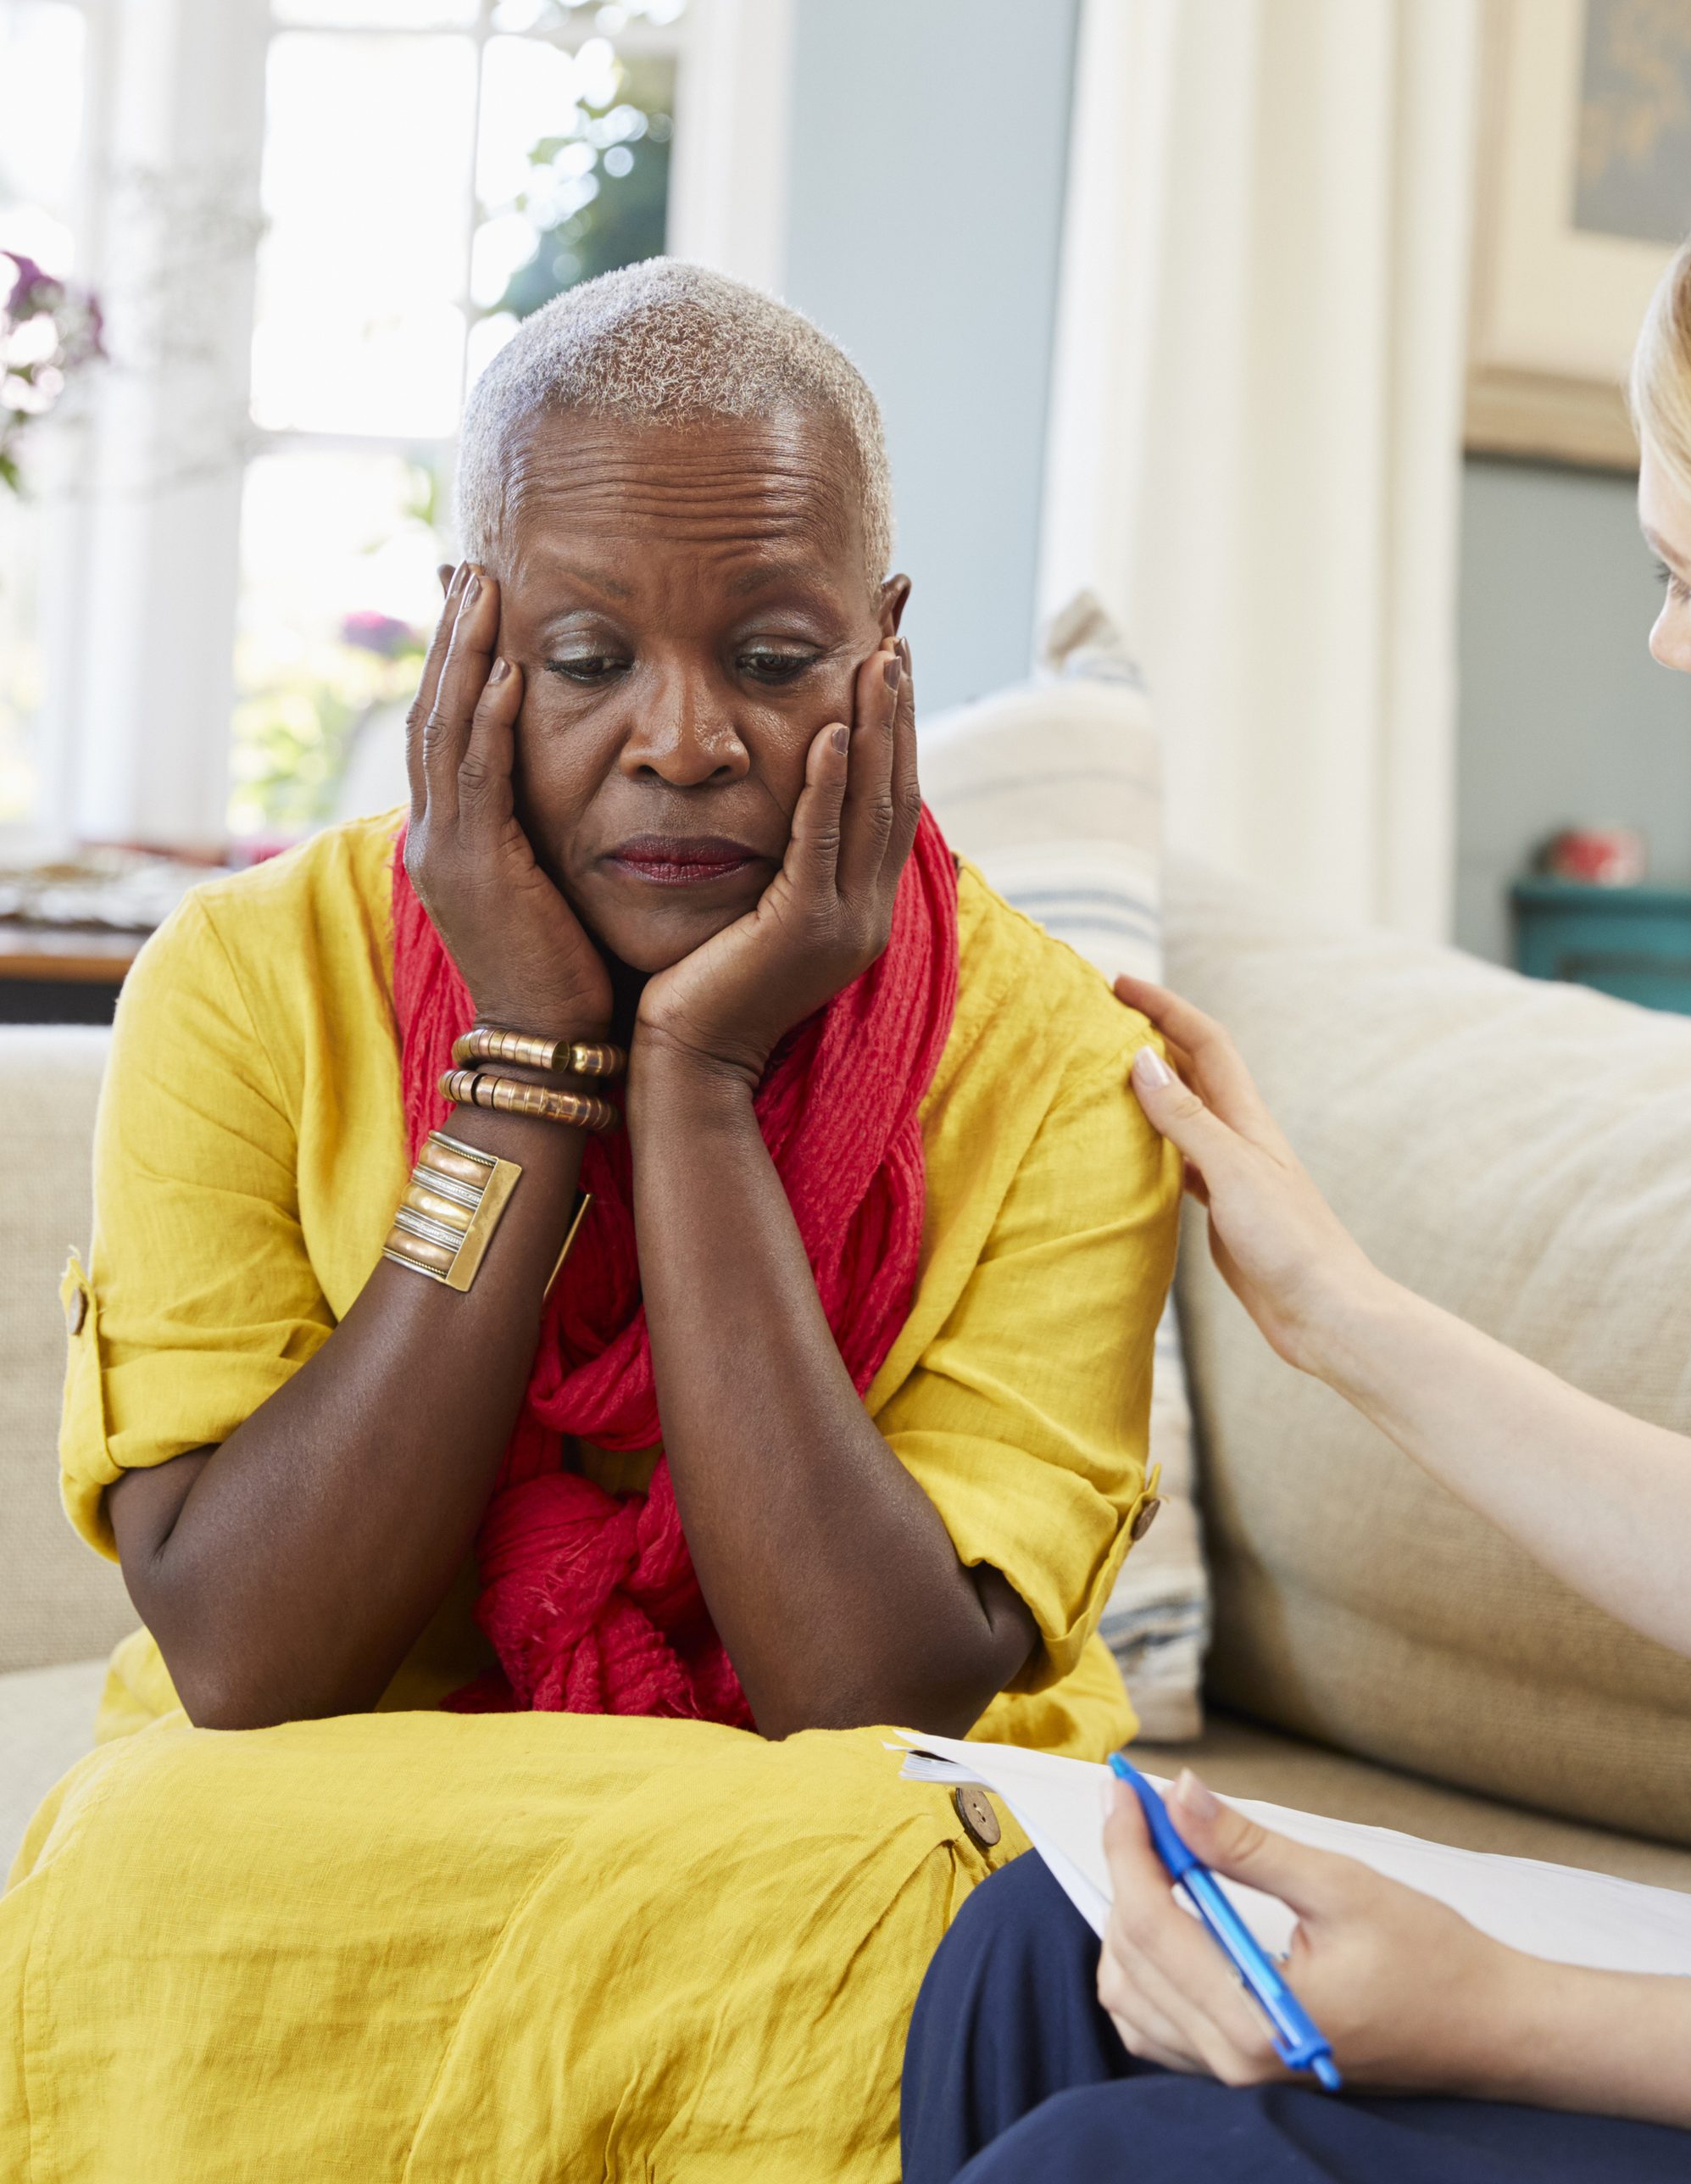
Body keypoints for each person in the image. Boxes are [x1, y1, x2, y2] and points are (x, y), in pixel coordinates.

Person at [902, 104, 1691, 2184]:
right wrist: (1339, 1309)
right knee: (1043, 1949)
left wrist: (1517, 2008)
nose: (1667, 641)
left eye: (1689, 579)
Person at [0, 262, 1178, 2182]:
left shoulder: (1060, 1065)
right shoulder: (242, 979)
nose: (685, 737)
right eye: (584, 659)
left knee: (907, 1887)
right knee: (140, 1853)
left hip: (820, 1830)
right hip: (335, 1805)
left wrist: (697, 1087)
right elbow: (247, 1660)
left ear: (883, 659)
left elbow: (860, 1697)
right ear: (467, 642)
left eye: (776, 660)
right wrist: (528, 1069)